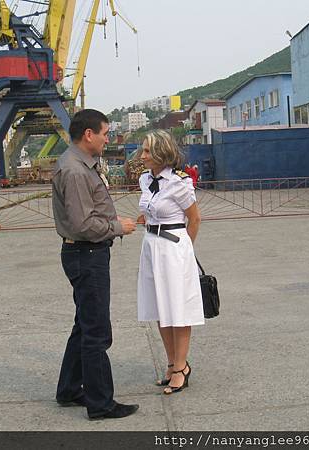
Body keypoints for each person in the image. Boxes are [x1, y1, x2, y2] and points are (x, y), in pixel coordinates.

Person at [52, 109, 139, 420]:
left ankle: (69, 389)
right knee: (97, 332)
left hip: (85, 253)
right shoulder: (75, 171)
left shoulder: (79, 164)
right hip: (87, 254)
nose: (107, 139)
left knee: (84, 325)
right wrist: (118, 227)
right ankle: (101, 403)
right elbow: (81, 224)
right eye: (104, 133)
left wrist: (110, 222)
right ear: (88, 135)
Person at [136, 130, 204, 395]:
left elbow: (195, 219)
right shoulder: (145, 180)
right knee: (160, 308)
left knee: (177, 308)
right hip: (151, 246)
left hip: (174, 247)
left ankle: (181, 367)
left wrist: (185, 250)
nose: (141, 156)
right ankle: (172, 363)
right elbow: (148, 213)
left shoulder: (180, 182)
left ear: (161, 154)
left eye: (146, 151)